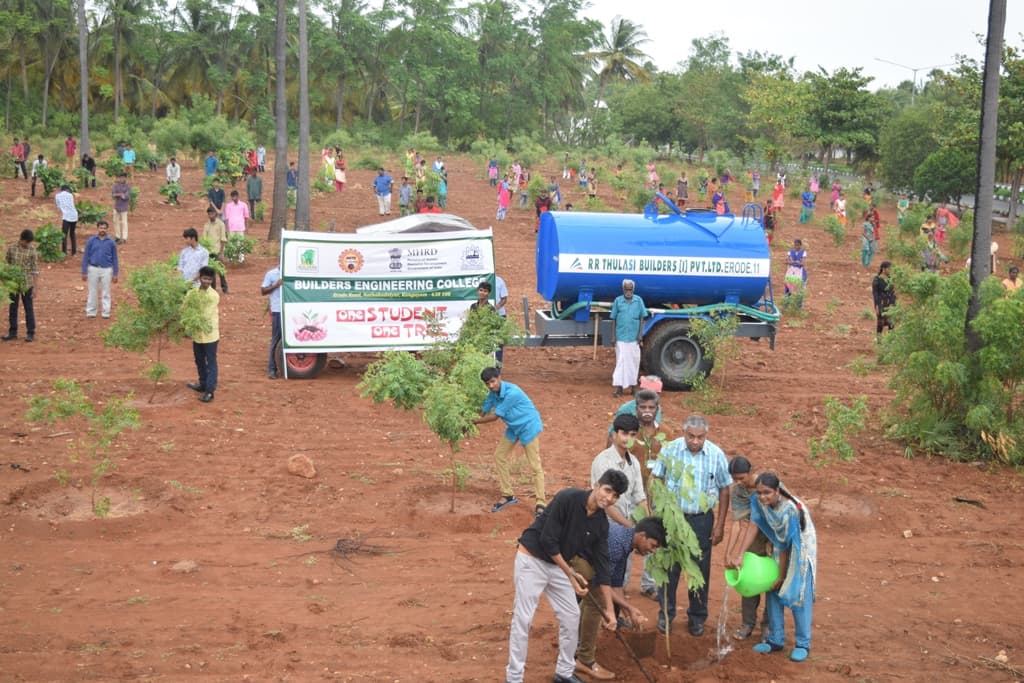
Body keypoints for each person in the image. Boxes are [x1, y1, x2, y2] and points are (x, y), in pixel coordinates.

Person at [504, 468, 628, 683]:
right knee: (523, 619)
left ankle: (563, 672)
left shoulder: (601, 523)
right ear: (597, 485)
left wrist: (610, 610)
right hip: (532, 559)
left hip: (557, 566)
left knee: (571, 616)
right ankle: (514, 677)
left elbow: (603, 565)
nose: (609, 498)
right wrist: (571, 575)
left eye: (615, 496)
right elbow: (548, 541)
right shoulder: (567, 498)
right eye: (607, 490)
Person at [650, 414, 731, 637]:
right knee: (669, 566)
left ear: (706, 435)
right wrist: (656, 515)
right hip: (673, 518)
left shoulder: (716, 455)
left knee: (699, 569)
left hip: (702, 520)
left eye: (700, 437)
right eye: (691, 436)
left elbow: (725, 489)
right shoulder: (670, 450)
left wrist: (720, 525)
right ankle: (665, 614)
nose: (695, 441)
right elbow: (656, 479)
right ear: (684, 432)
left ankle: (697, 617)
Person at [729, 472, 817, 663]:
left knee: (797, 594)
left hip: (799, 550)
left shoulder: (790, 511)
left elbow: (787, 546)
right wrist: (740, 554)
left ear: (778, 491)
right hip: (779, 547)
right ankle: (775, 640)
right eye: (759, 492)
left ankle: (803, 644)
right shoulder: (759, 502)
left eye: (767, 493)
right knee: (773, 591)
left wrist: (781, 576)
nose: (762, 497)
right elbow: (753, 525)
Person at [573, 516, 665, 680]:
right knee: (598, 599)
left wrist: (628, 611)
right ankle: (585, 660)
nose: (653, 551)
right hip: (574, 556)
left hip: (586, 558)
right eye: (653, 545)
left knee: (593, 599)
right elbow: (604, 584)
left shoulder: (626, 543)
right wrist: (627, 608)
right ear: (642, 535)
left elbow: (615, 584)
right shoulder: (617, 545)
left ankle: (576, 645)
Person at [474, 367, 547, 515]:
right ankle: (508, 495)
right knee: (499, 456)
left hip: (528, 426)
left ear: (499, 377)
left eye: (493, 382)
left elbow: (495, 417)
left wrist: (473, 422)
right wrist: (468, 420)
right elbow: (484, 410)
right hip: (513, 427)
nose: (491, 386)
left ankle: (541, 502)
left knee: (534, 466)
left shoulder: (512, 393)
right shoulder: (493, 393)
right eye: (487, 383)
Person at [726, 456, 770, 641]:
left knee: (772, 581)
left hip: (774, 537)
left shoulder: (767, 483)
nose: (739, 482)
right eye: (735, 479)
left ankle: (768, 626)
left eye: (742, 478)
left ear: (751, 472)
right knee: (748, 578)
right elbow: (738, 523)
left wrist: (773, 543)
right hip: (752, 536)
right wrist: (730, 552)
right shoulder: (737, 491)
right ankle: (747, 623)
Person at [591, 414, 648, 529]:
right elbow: (605, 503)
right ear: (614, 435)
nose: (628, 439)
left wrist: (648, 525)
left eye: (632, 435)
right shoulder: (603, 461)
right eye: (624, 433)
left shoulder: (634, 462)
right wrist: (630, 527)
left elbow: (640, 498)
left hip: (629, 521)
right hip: (606, 523)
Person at [185, 266, 221, 403]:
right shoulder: (193, 293)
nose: (206, 282)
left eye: (209, 280)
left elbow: (204, 316)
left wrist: (189, 320)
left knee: (211, 363)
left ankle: (210, 391)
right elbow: (183, 300)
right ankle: (202, 384)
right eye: (204, 278)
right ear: (200, 278)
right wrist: (192, 280)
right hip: (197, 334)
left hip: (210, 335)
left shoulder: (213, 296)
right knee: (199, 360)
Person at [610, 279, 648, 397]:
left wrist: (640, 335)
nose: (628, 292)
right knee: (620, 362)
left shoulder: (638, 300)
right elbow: (614, 319)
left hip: (633, 338)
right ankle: (619, 388)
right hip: (620, 337)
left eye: (630, 289)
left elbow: (642, 317)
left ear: (633, 290)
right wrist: (613, 336)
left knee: (633, 362)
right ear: (623, 290)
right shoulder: (618, 301)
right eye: (626, 289)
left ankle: (633, 387)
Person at [2, 230, 39, 342]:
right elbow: (7, 264)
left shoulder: (32, 251)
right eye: (27, 242)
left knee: (28, 308)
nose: (28, 244)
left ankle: (30, 332)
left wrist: (35, 288)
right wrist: (6, 281)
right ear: (21, 239)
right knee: (13, 308)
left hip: (27, 284)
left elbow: (35, 270)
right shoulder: (12, 248)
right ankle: (13, 332)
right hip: (13, 284)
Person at [81, 220, 118, 319]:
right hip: (93, 268)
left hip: (106, 269)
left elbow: (115, 258)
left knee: (106, 291)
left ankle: (106, 312)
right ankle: (91, 311)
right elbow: (86, 256)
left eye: (104, 228)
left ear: (107, 229)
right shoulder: (91, 241)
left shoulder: (111, 242)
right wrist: (84, 271)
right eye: (101, 228)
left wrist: (115, 273)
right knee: (92, 291)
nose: (102, 230)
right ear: (97, 228)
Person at [261, 265, 283, 379]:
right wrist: (276, 285)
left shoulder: (292, 272)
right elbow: (263, 291)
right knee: (277, 338)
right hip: (278, 310)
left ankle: (283, 365)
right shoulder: (271, 274)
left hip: (291, 310)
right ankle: (272, 368)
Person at [203, 207, 229, 294]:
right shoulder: (206, 225)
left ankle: (225, 288)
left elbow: (223, 239)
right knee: (211, 272)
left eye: (212, 213)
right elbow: (204, 239)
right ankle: (213, 289)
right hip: (209, 252)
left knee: (220, 271)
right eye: (209, 214)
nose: (210, 215)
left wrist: (221, 253)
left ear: (216, 214)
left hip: (217, 251)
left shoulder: (221, 224)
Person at [873, 261, 897, 336]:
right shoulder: (877, 279)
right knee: (880, 323)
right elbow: (875, 293)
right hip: (882, 303)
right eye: (889, 269)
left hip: (891, 303)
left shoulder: (891, 279)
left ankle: (890, 341)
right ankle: (879, 341)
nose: (890, 271)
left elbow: (893, 291)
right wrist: (876, 305)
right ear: (883, 269)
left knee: (891, 323)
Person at [54, 185, 79, 256]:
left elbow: (58, 207)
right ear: (67, 189)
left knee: (64, 235)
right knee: (72, 234)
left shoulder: (57, 196)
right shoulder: (71, 195)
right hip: (74, 215)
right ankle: (74, 252)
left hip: (66, 216)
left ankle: (64, 252)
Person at [784, 239, 808, 303]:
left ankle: (798, 305)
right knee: (788, 287)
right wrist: (797, 262)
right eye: (795, 245)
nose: (796, 247)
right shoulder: (790, 252)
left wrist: (792, 262)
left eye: (798, 245)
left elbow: (803, 263)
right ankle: (786, 303)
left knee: (799, 288)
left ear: (800, 245)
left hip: (799, 272)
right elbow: (786, 261)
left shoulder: (803, 252)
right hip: (791, 272)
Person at [111, 172, 131, 244]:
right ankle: (117, 236)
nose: (122, 179)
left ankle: (124, 238)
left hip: (124, 206)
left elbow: (126, 196)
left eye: (123, 177)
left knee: (124, 222)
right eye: (120, 177)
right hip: (116, 206)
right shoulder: (115, 186)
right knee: (115, 221)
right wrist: (121, 194)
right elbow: (113, 195)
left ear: (125, 178)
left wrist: (119, 195)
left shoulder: (127, 186)